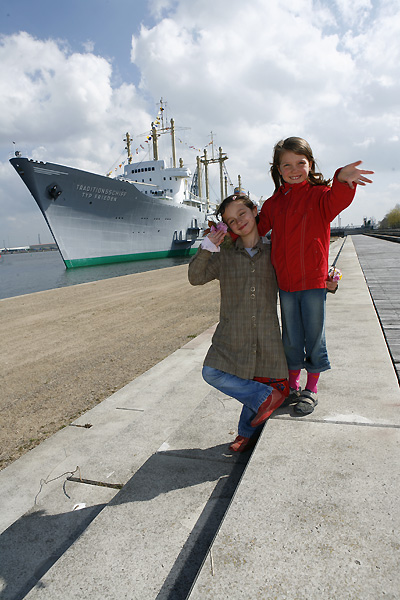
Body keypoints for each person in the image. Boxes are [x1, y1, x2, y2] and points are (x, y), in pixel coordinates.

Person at [258, 137, 374, 415]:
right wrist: (233, 223)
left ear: (310, 165)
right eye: (287, 164)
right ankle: (293, 386)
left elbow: (339, 198)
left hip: (313, 282)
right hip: (285, 284)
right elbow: (258, 229)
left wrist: (342, 179)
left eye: (301, 162)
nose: (294, 169)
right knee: (291, 338)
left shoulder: (321, 196)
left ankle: (312, 389)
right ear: (278, 169)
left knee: (314, 335)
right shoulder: (274, 204)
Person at [188, 194, 289, 453]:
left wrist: (326, 282)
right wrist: (206, 246)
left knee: (259, 381)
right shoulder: (224, 254)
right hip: (233, 333)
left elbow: (297, 274)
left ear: (255, 211)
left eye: (242, 214)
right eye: (231, 221)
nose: (238, 222)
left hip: (267, 333)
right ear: (228, 227)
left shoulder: (275, 248)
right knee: (211, 372)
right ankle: (262, 404)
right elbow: (195, 277)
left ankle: (246, 433)